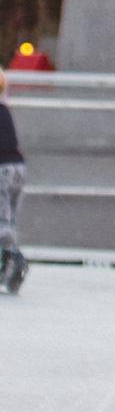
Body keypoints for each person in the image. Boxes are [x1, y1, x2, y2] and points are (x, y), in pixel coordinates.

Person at [0, 68, 28, 295]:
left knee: (2, 221)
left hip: (2, 169)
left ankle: (12, 259)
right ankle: (8, 259)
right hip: (18, 168)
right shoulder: (5, 110)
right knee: (9, 219)